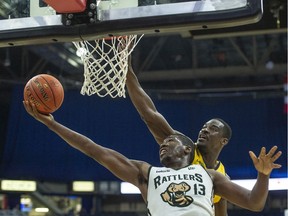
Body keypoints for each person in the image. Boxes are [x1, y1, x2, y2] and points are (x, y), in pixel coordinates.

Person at [23, 100, 282, 216]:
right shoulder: (146, 174)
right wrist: (52, 124)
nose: (163, 145)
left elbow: (254, 203)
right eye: (163, 143)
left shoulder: (211, 176)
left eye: (170, 142)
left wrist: (263, 175)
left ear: (186, 150)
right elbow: (93, 149)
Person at [125, 55, 231, 215]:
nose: (204, 130)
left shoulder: (221, 175)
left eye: (213, 128)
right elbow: (149, 114)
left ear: (224, 141)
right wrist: (127, 70)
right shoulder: (183, 147)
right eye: (204, 127)